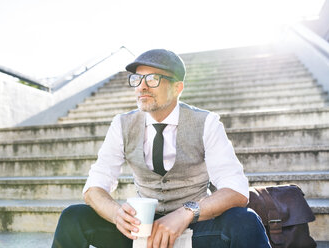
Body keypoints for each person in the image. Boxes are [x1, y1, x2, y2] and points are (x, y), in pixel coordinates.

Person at [52, 49, 271, 248]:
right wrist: (117, 214)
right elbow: (94, 186)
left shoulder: (207, 122)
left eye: (153, 79)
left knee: (245, 220)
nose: (142, 86)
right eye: (137, 79)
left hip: (196, 228)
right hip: (141, 231)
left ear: (178, 88)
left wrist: (187, 213)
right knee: (74, 217)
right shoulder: (122, 124)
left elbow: (236, 190)